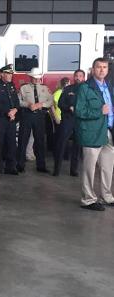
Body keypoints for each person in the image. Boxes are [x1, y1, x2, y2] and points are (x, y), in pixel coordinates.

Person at [75, 57, 114, 211]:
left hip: (109, 132)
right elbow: (79, 111)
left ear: (108, 70)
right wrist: (99, 111)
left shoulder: (109, 87)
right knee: (89, 168)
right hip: (92, 133)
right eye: (99, 67)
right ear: (92, 69)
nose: (102, 70)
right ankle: (88, 199)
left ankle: (107, 196)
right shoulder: (85, 87)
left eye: (105, 67)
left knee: (107, 167)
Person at [16, 67, 53, 173]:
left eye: (38, 78)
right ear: (30, 77)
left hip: (40, 116)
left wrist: (41, 104)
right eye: (34, 78)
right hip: (27, 115)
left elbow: (50, 101)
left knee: (40, 141)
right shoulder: (24, 88)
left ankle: (41, 165)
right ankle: (20, 165)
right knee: (23, 140)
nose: (36, 80)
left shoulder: (45, 88)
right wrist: (27, 104)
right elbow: (18, 101)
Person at [53, 70, 85, 176]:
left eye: (80, 76)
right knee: (61, 144)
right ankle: (56, 169)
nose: (78, 78)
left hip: (80, 121)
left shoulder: (87, 90)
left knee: (77, 146)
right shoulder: (67, 89)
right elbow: (60, 104)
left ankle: (74, 170)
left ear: (83, 78)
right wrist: (69, 107)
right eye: (76, 76)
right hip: (67, 119)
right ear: (74, 77)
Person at [0, 64, 20, 175]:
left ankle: (11, 167)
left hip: (11, 119)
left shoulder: (12, 86)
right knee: (0, 143)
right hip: (1, 119)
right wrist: (7, 112)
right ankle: (0, 167)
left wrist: (15, 109)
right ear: (2, 74)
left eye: (11, 74)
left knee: (11, 143)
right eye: (8, 73)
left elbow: (16, 101)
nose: (10, 76)